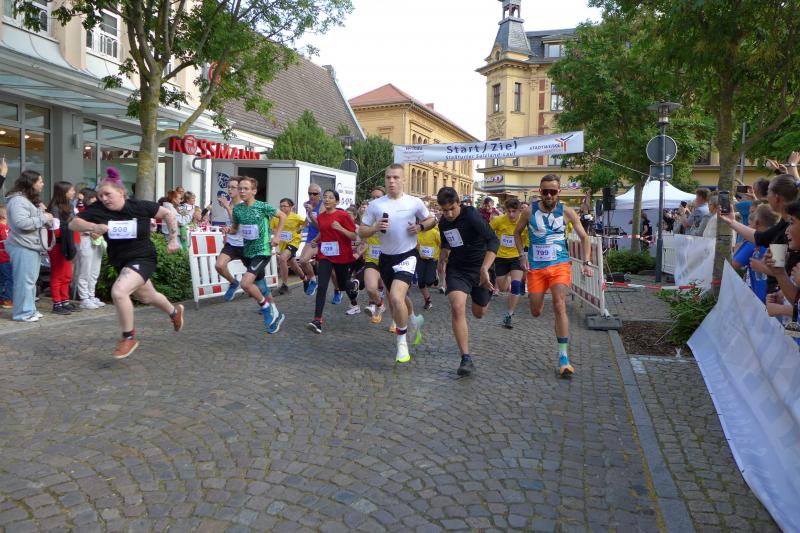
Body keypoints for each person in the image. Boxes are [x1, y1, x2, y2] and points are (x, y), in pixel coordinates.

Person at [70, 175, 185, 358]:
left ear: (121, 192)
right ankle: (174, 312)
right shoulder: (98, 209)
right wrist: (94, 227)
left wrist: (173, 240)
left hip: (143, 257)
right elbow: (74, 224)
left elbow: (168, 214)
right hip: (120, 261)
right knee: (147, 296)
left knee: (119, 292)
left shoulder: (138, 206)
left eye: (108, 194)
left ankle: (128, 337)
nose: (104, 199)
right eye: (101, 196)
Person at [515, 174, 593, 378]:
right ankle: (538, 302)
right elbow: (516, 233)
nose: (549, 195)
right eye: (545, 191)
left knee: (559, 304)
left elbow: (585, 238)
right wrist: (522, 255)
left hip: (560, 265)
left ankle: (564, 358)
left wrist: (586, 262)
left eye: (552, 191)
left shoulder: (567, 212)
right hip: (536, 268)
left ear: (559, 192)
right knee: (536, 311)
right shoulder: (528, 211)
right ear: (539, 191)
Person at [359, 164, 435, 363]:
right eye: (388, 177)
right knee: (397, 300)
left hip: (407, 256)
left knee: (395, 296)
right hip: (385, 258)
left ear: (403, 180)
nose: (391, 181)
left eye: (395, 177)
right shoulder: (376, 205)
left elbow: (431, 220)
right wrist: (374, 228)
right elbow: (362, 231)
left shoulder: (414, 202)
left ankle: (402, 343)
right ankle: (414, 321)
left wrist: (420, 226)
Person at [437, 187, 499, 376]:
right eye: (445, 210)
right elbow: (446, 243)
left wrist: (484, 268)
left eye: (452, 209)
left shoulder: (471, 215)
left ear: (459, 204)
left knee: (479, 313)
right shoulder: (443, 223)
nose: (449, 214)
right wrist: (443, 256)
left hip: (481, 268)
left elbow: (493, 240)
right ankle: (466, 358)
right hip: (458, 270)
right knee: (457, 307)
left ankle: (482, 296)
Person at [721, 174, 799, 294]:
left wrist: (763, 268)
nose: (766, 197)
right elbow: (761, 238)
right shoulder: (783, 223)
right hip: (777, 296)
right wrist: (732, 222)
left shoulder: (790, 228)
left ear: (777, 197)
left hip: (784, 297)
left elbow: (786, 270)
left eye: (768, 192)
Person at [227, 177, 286, 333]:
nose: (242, 191)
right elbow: (235, 228)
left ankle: (266, 308)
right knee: (261, 287)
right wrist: (228, 231)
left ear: (254, 191)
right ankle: (276, 315)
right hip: (247, 252)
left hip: (262, 251)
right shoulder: (238, 210)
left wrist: (277, 236)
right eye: (240, 188)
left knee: (246, 284)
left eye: (246, 188)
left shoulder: (262, 206)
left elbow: (283, 216)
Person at [306, 190, 360, 333]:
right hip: (325, 255)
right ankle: (317, 320)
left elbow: (353, 236)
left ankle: (353, 285)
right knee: (322, 286)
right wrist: (315, 240)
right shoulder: (321, 217)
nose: (327, 199)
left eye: (330, 197)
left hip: (341, 255)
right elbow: (323, 231)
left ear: (337, 201)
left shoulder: (343, 215)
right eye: (325, 197)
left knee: (342, 285)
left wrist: (340, 228)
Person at [5, 171, 53, 322]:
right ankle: (23, 313)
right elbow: (21, 223)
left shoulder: (27, 200)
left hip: (30, 245)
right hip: (22, 245)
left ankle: (30, 309)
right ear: (31, 183)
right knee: (24, 281)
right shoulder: (18, 200)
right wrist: (43, 217)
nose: (42, 184)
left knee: (30, 281)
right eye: (40, 181)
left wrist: (42, 214)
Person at [490, 198, 528, 329]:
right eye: (509, 211)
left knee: (516, 285)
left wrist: (525, 255)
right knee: (502, 287)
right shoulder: (498, 220)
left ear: (519, 211)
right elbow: (487, 232)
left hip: (517, 257)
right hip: (500, 257)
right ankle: (510, 278)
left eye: (514, 211)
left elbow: (529, 241)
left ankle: (509, 314)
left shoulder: (524, 222)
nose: (511, 214)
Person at [732, 203, 779, 303]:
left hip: (759, 298)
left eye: (750, 224)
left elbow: (734, 264)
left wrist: (737, 249)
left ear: (757, 223)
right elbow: (781, 270)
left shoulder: (751, 243)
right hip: (779, 297)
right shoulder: (779, 240)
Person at [47, 181, 80, 315]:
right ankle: (57, 303)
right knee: (57, 274)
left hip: (68, 243)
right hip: (58, 245)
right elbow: (55, 230)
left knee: (66, 275)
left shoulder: (69, 205)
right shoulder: (55, 207)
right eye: (71, 190)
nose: (73, 192)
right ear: (63, 192)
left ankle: (65, 301)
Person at [214, 177, 245, 301]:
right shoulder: (229, 204)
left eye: (233, 187)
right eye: (228, 187)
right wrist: (226, 234)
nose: (230, 190)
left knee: (254, 276)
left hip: (245, 244)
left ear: (239, 190)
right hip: (231, 244)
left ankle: (264, 298)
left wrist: (227, 207)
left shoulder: (243, 205)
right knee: (219, 266)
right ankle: (233, 282)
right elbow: (230, 225)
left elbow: (236, 222)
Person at [75, 188, 106, 309]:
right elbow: (75, 225)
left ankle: (91, 295)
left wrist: (99, 233)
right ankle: (84, 298)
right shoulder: (80, 209)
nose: (94, 200)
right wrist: (90, 231)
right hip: (85, 239)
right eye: (91, 197)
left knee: (94, 271)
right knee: (85, 271)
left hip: (97, 240)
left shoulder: (97, 209)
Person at [272, 197, 306, 295]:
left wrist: (301, 228)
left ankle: (285, 285)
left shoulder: (296, 217)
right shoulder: (276, 218)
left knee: (282, 258)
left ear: (291, 207)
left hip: (294, 242)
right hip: (283, 244)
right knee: (293, 265)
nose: (282, 208)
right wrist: (276, 231)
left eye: (285, 206)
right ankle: (305, 279)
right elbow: (272, 228)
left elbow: (306, 223)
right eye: (281, 206)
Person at [298, 184, 323, 295]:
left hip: (323, 238)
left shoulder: (322, 206)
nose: (311, 196)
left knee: (332, 272)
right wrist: (302, 226)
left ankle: (338, 290)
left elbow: (321, 227)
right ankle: (313, 280)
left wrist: (312, 214)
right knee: (302, 261)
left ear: (319, 195)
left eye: (314, 193)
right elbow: (307, 219)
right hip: (311, 238)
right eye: (309, 193)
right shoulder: (307, 204)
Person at [416, 220, 441, 310]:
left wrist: (440, 257)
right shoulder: (417, 233)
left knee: (429, 281)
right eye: (420, 222)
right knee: (421, 282)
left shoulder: (434, 232)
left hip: (432, 259)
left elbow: (441, 244)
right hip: (421, 259)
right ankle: (428, 301)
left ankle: (435, 276)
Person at [0, 205, 12, 309]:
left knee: (3, 279)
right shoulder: (3, 227)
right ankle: (7, 299)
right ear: (4, 216)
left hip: (4, 257)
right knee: (9, 278)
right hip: (4, 257)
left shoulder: (6, 226)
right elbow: (6, 241)